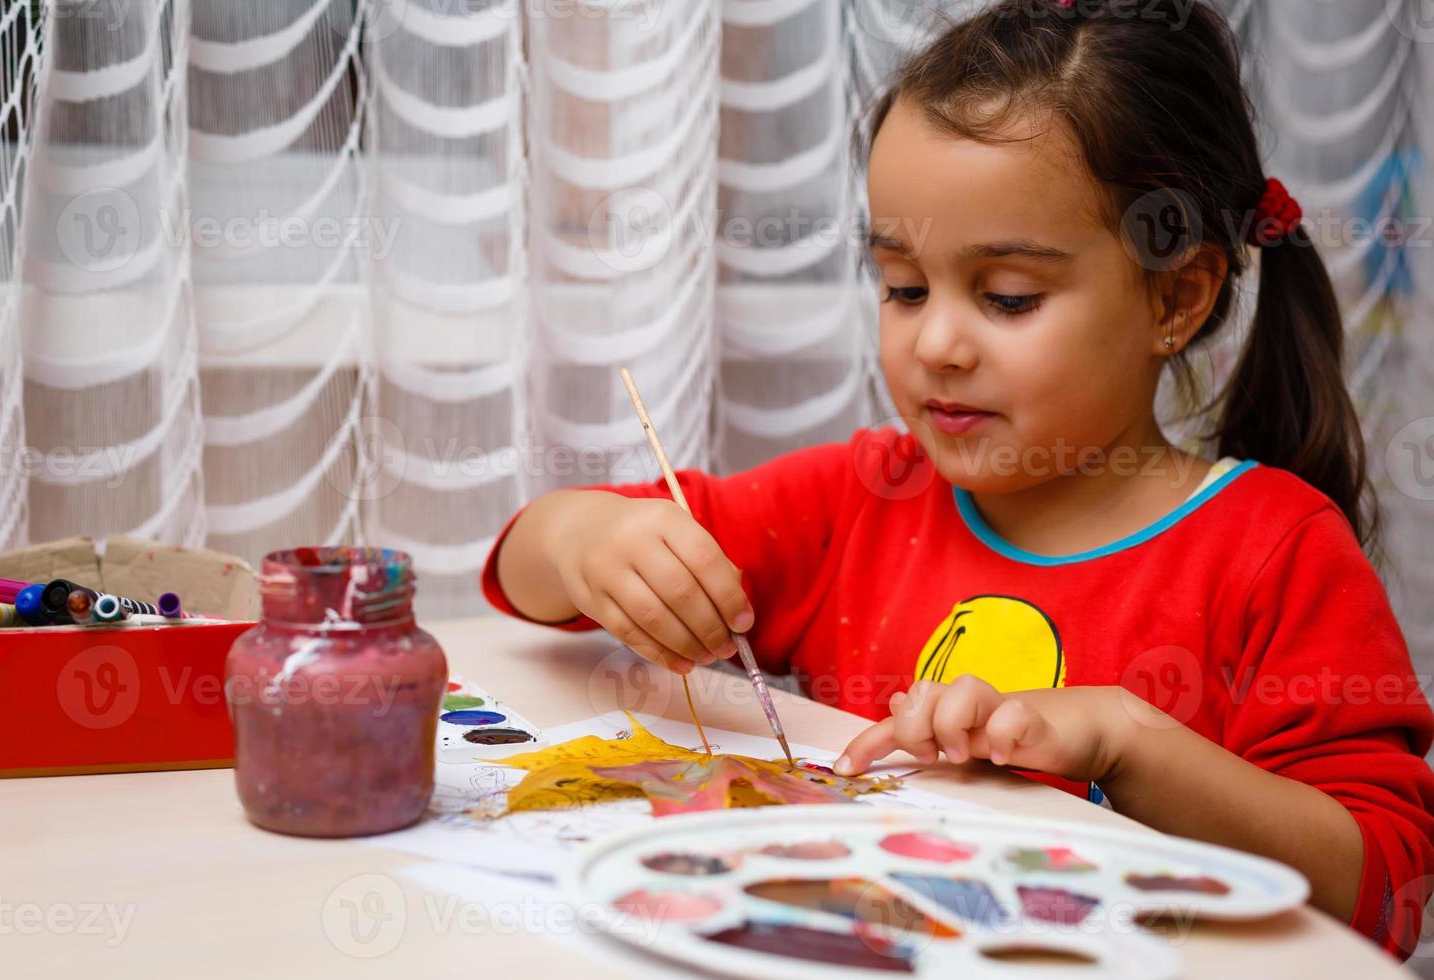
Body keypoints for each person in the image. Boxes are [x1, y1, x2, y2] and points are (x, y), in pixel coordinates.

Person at [483, 0, 1434, 956]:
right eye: (902, 286)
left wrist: (1127, 740)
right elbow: (528, 575)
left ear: (1177, 296)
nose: (935, 343)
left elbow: (1385, 894)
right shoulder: (859, 500)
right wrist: (584, 543)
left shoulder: (1274, 550)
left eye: (1008, 298)